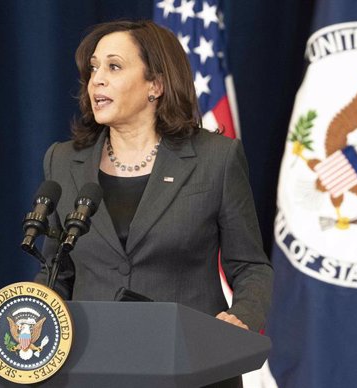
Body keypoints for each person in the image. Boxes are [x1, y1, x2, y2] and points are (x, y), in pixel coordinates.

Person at [35, 19, 272, 342]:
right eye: (93, 69)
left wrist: (240, 318)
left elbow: (250, 267)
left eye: (114, 67)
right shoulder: (63, 161)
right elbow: (56, 272)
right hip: (94, 359)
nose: (97, 80)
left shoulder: (216, 158)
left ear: (155, 85)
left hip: (191, 356)